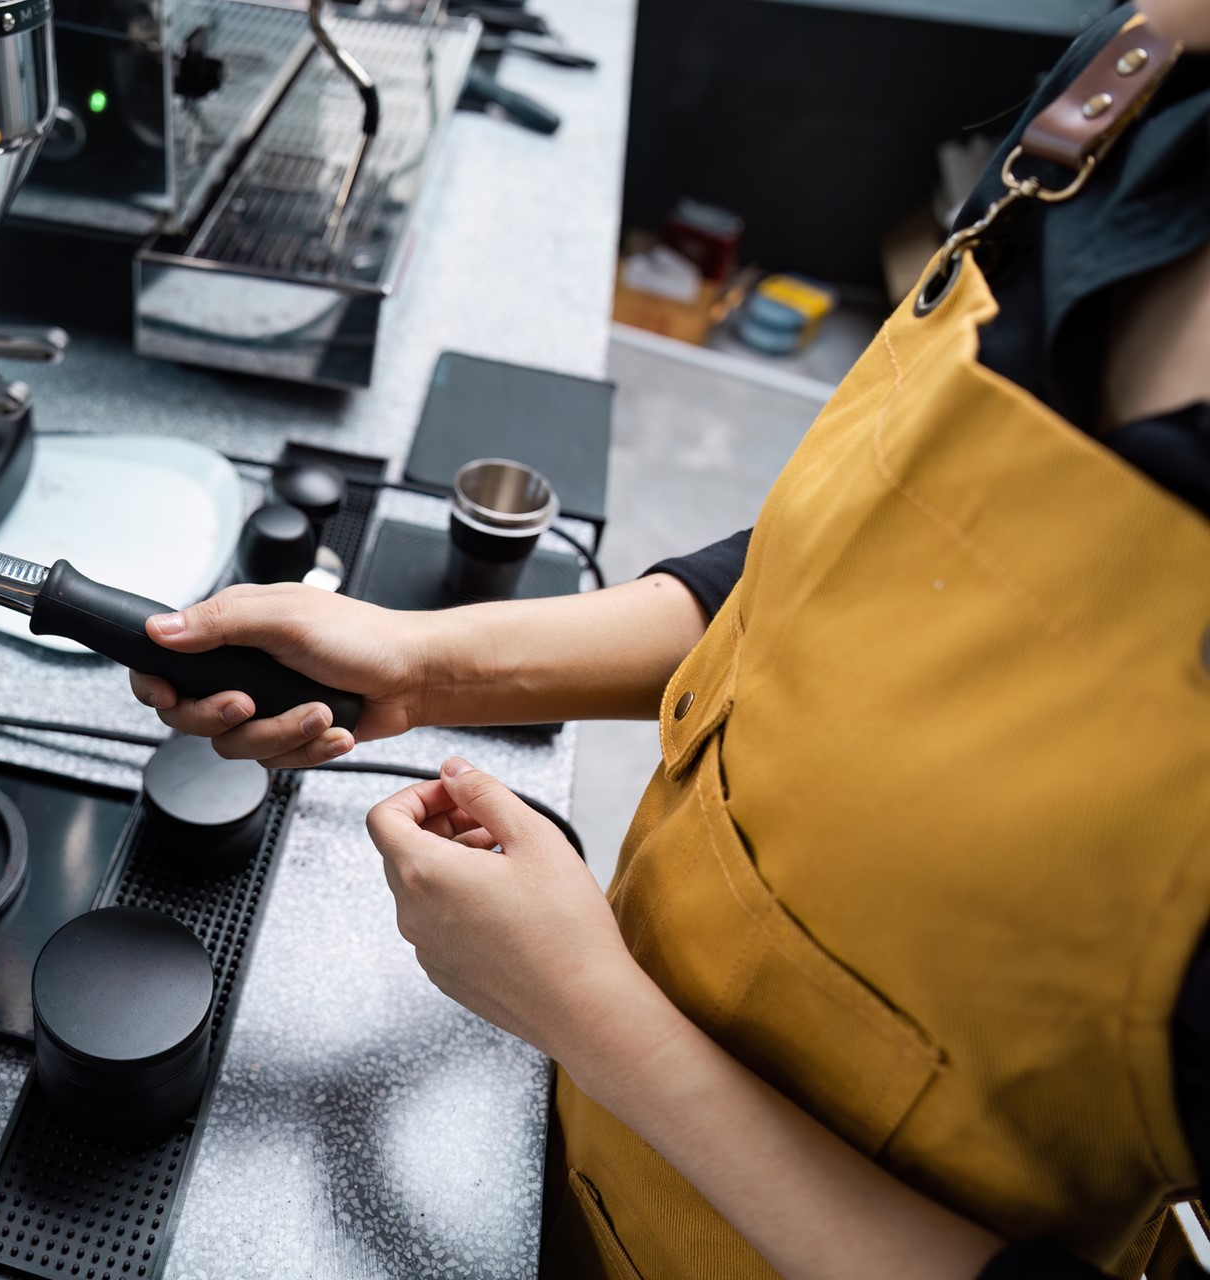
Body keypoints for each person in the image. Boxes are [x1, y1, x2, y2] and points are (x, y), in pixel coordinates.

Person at [126, 2, 1210, 1275]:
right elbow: (860, 561)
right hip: (576, 1138)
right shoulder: (1134, 86)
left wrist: (592, 1013)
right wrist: (425, 662)